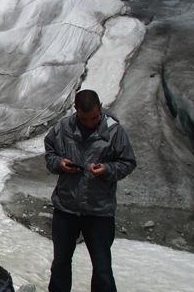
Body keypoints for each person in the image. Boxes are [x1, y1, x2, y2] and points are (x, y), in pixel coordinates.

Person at [45, 90, 136, 292]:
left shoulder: (114, 131)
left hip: (99, 211)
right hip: (66, 208)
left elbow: (128, 162)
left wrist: (108, 169)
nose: (89, 122)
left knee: (102, 268)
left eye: (94, 117)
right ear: (76, 110)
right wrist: (60, 163)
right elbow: (49, 153)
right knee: (60, 263)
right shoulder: (62, 127)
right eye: (84, 118)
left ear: (100, 107)